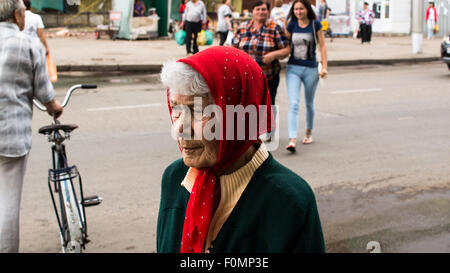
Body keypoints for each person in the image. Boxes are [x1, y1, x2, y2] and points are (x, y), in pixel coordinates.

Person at [157, 46, 325, 253]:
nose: (179, 129)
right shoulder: (175, 179)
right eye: (176, 109)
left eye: (199, 110)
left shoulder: (288, 201)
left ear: (240, 116)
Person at [0, 0, 63, 253]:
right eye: (23, 12)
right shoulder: (27, 43)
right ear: (16, 15)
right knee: (7, 202)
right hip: (10, 137)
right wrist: (54, 107)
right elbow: (44, 93)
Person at [263, 0, 328, 152]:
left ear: (307, 10)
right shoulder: (291, 26)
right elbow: (285, 46)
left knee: (309, 103)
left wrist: (324, 66)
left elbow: (322, 46)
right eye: (296, 9)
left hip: (311, 69)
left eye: (301, 9)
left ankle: (308, 132)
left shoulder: (315, 24)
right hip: (293, 68)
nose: (298, 11)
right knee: (294, 104)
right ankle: (292, 139)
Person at [232, 1, 288, 106]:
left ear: (268, 12)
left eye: (263, 9)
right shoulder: (243, 27)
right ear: (252, 11)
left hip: (268, 77)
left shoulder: (275, 28)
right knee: (247, 109)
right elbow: (233, 49)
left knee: (267, 108)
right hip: (246, 79)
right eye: (257, 9)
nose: (260, 12)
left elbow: (286, 50)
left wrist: (273, 55)